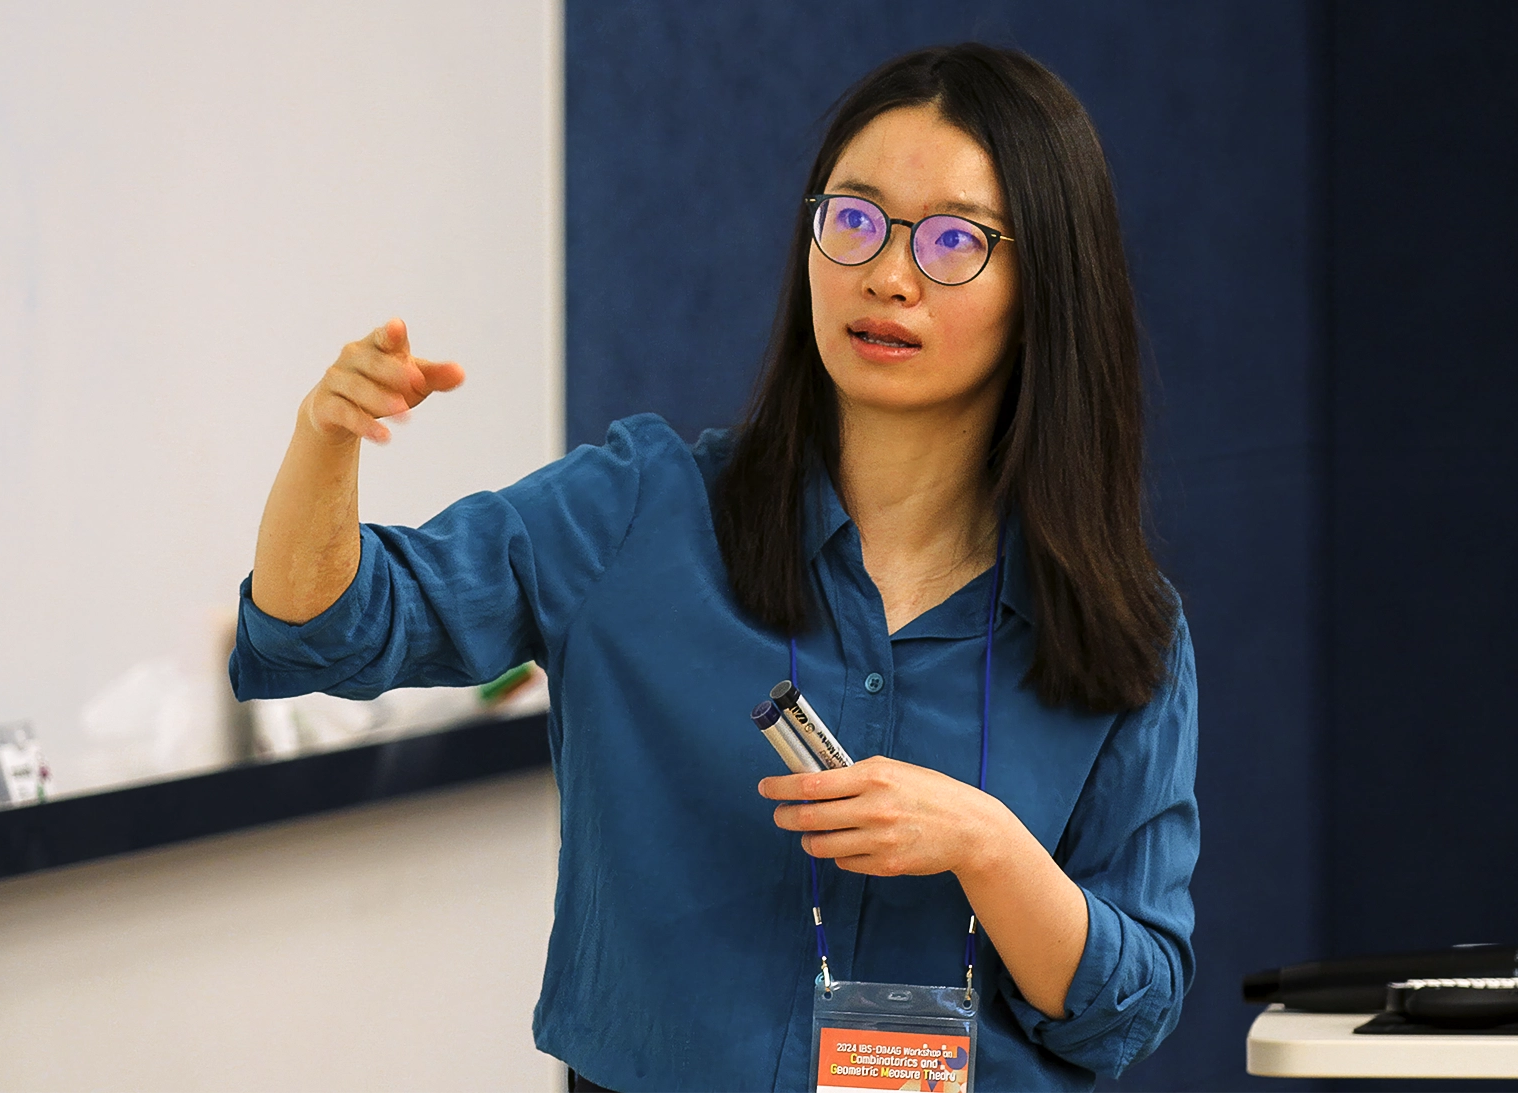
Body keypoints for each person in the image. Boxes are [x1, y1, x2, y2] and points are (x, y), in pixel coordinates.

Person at [232, 41, 1198, 1093]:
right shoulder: (640, 511)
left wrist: (986, 845)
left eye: (954, 241)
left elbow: (1128, 1009)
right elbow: (326, 630)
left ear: (1044, 284)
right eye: (857, 219)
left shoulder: (1115, 622)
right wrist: (326, 440)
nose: (886, 275)